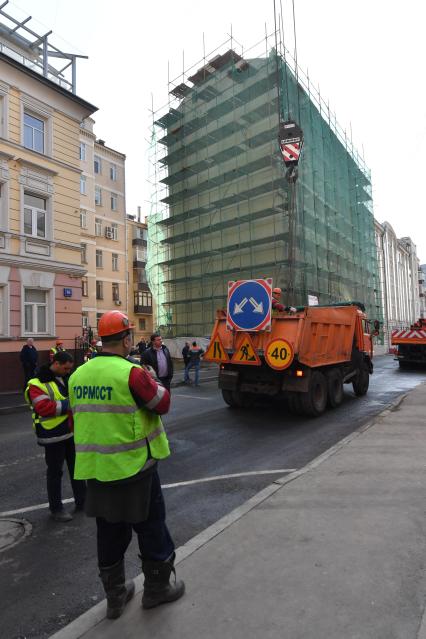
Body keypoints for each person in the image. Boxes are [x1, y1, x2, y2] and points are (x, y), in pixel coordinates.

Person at [68, 310, 184, 619]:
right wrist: (151, 377)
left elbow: (75, 418)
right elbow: (163, 403)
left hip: (97, 471)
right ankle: (157, 591)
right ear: (127, 339)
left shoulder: (78, 375)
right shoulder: (131, 373)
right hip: (135, 470)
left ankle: (116, 597)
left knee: (108, 533)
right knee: (151, 528)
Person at [24, 351, 86, 522]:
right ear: (56, 363)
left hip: (70, 431)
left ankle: (83, 501)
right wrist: (71, 404)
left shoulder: (66, 378)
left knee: (77, 469)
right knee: (54, 473)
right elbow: (43, 408)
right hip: (52, 434)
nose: (68, 371)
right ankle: (56, 509)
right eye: (65, 368)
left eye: (69, 369)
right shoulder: (36, 383)